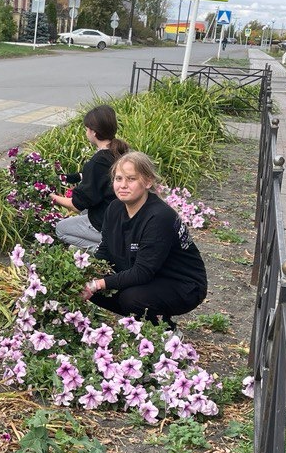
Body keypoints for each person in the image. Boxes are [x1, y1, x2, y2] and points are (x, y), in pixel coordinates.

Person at [79, 151, 208, 325]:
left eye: (131, 179)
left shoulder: (159, 217)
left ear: (148, 181)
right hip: (152, 276)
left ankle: (164, 330)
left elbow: (143, 272)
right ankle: (142, 321)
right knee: (92, 288)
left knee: (131, 298)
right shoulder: (115, 208)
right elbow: (105, 250)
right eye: (118, 179)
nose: (123, 185)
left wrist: (97, 283)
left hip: (183, 285)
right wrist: (86, 275)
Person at [50, 104, 128, 251]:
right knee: (85, 214)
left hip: (108, 223)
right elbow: (100, 177)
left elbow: (76, 204)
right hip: (122, 216)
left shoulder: (97, 162)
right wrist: (75, 177)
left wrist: (51, 196)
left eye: (87, 129)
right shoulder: (119, 151)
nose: (86, 132)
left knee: (61, 229)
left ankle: (105, 250)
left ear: (94, 132)